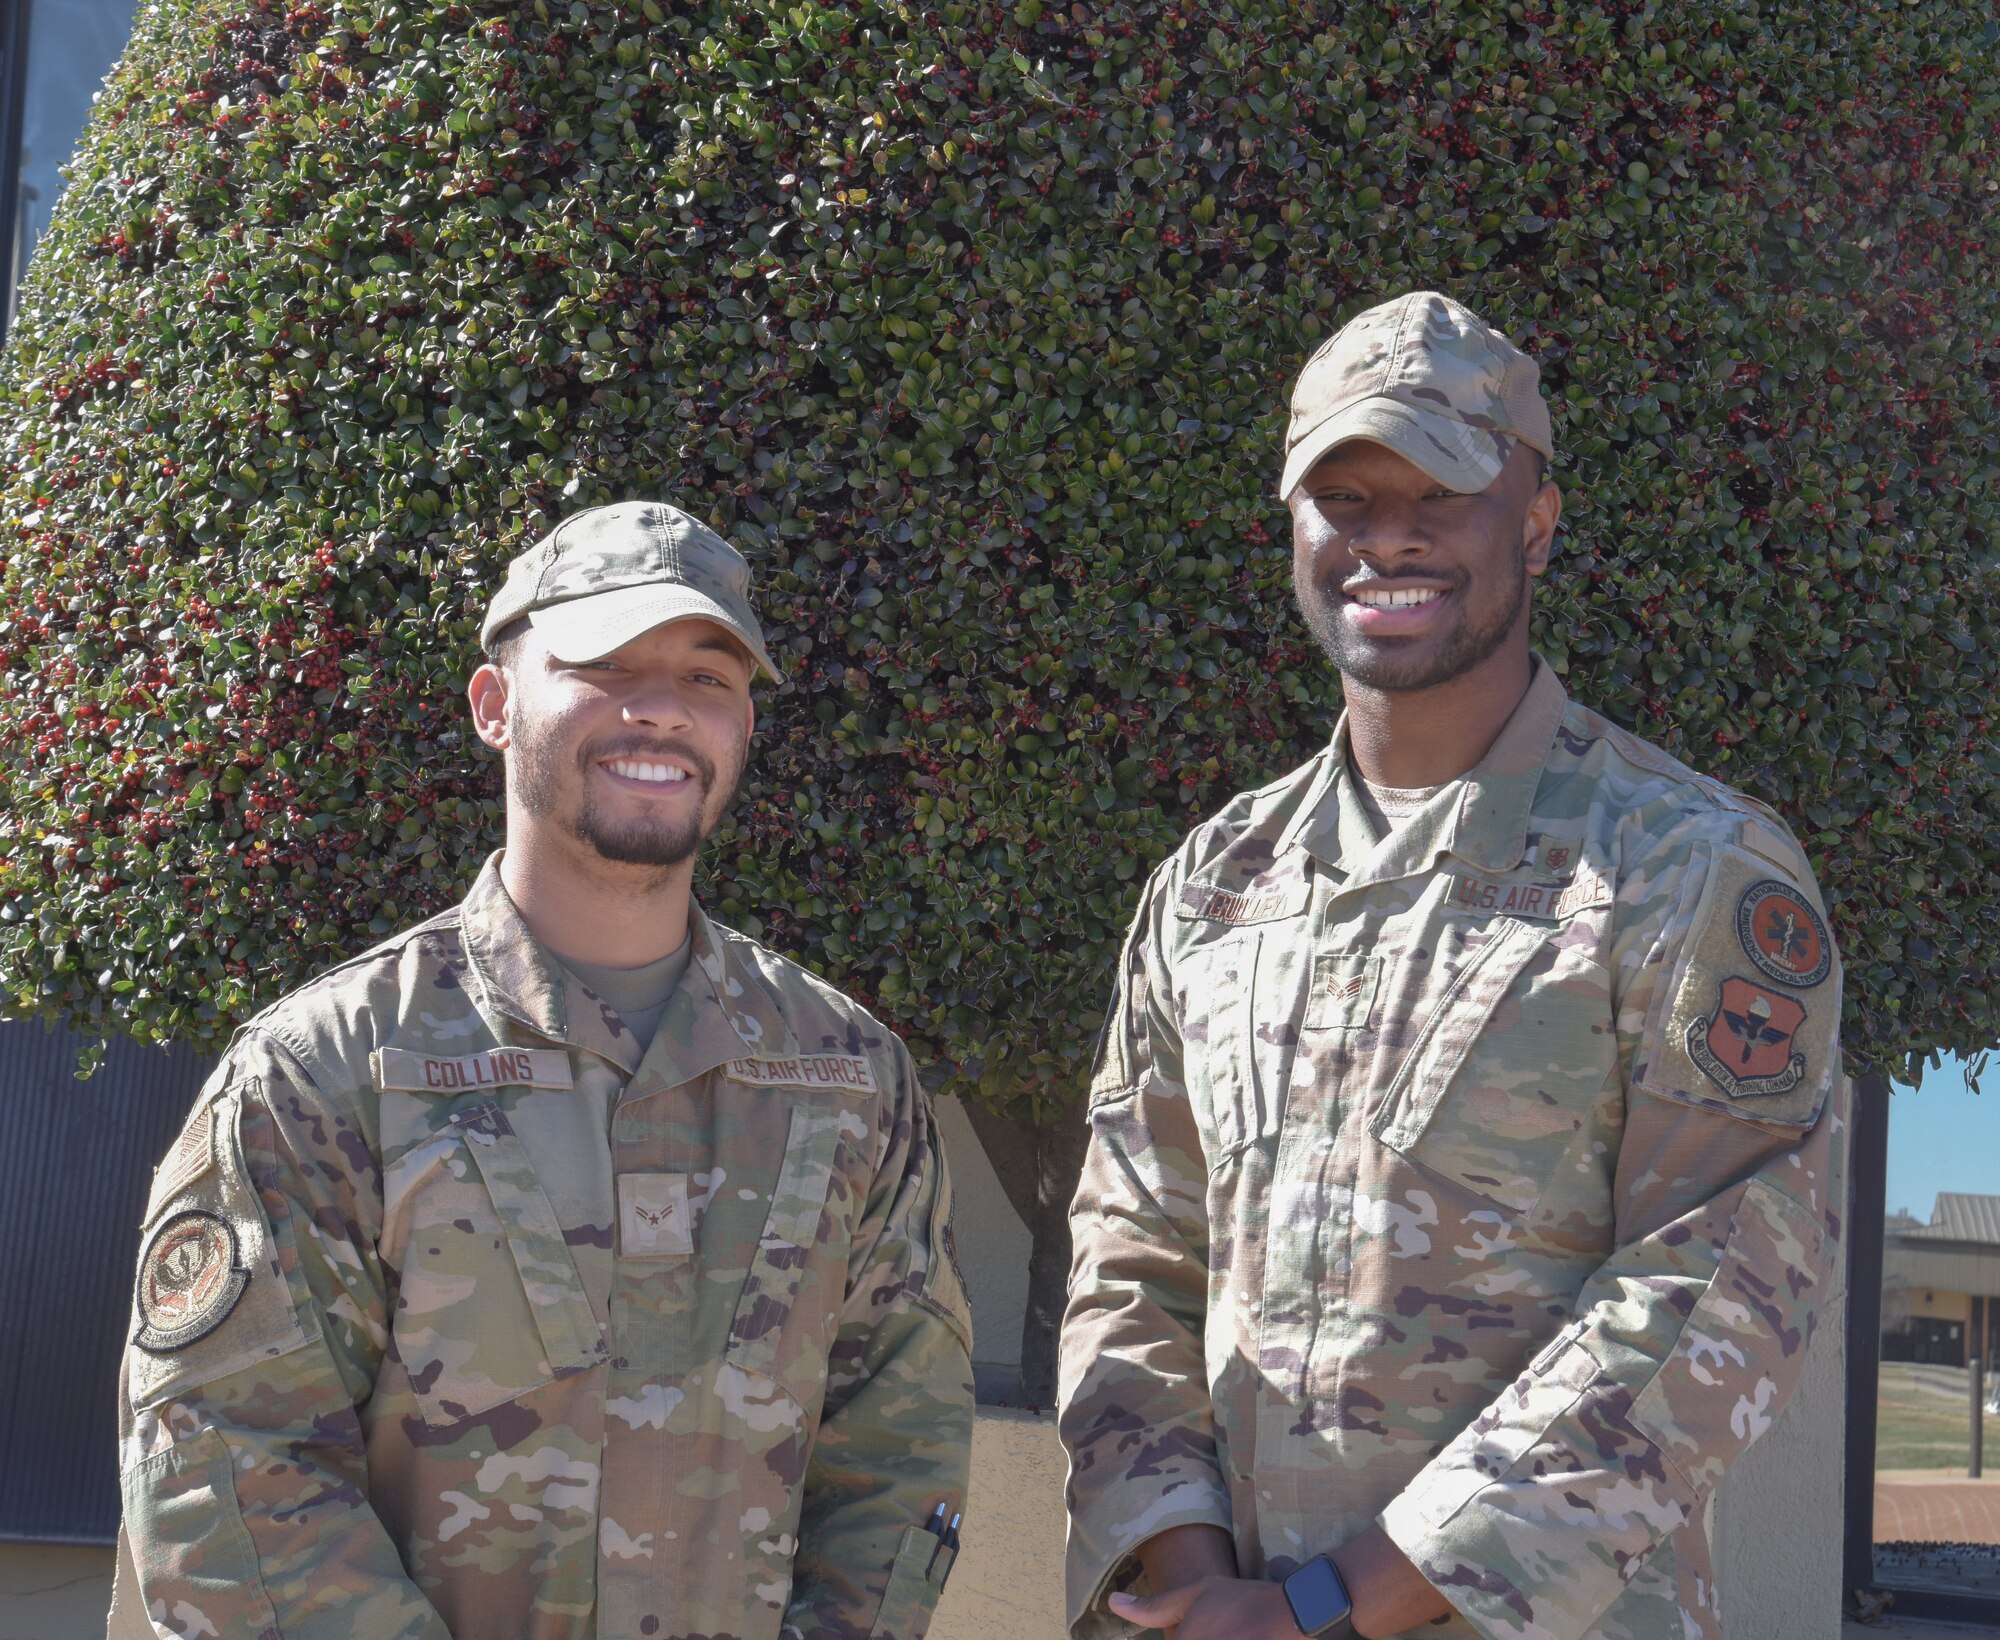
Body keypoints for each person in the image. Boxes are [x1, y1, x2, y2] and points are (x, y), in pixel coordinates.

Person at [1058, 291, 1847, 1640]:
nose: (1390, 537)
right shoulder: (1215, 885)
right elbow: (1132, 1246)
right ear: (1296, 530)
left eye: (1444, 490)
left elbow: (1711, 1296)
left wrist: (1324, 1608)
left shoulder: (1692, 867)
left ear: (1535, 523)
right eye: (1346, 496)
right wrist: (1184, 1571)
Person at [109, 502, 974, 1640]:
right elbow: (224, 1465)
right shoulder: (328, 1070)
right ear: (493, 704)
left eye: (709, 677)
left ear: (745, 725)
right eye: (605, 665)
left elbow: (899, 1447)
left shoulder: (845, 1075)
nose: (660, 705)